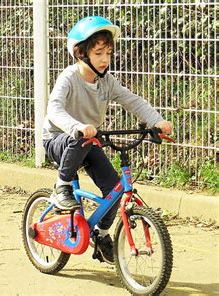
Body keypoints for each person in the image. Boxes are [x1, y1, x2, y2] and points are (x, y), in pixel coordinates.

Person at [42, 16, 173, 264]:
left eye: (108, 53)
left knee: (114, 188)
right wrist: (77, 126)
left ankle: (101, 235)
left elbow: (132, 101)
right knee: (78, 141)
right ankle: (62, 186)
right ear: (81, 53)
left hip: (88, 140)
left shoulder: (107, 82)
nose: (105, 59)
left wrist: (157, 121)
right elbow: (54, 109)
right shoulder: (68, 78)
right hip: (58, 138)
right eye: (99, 52)